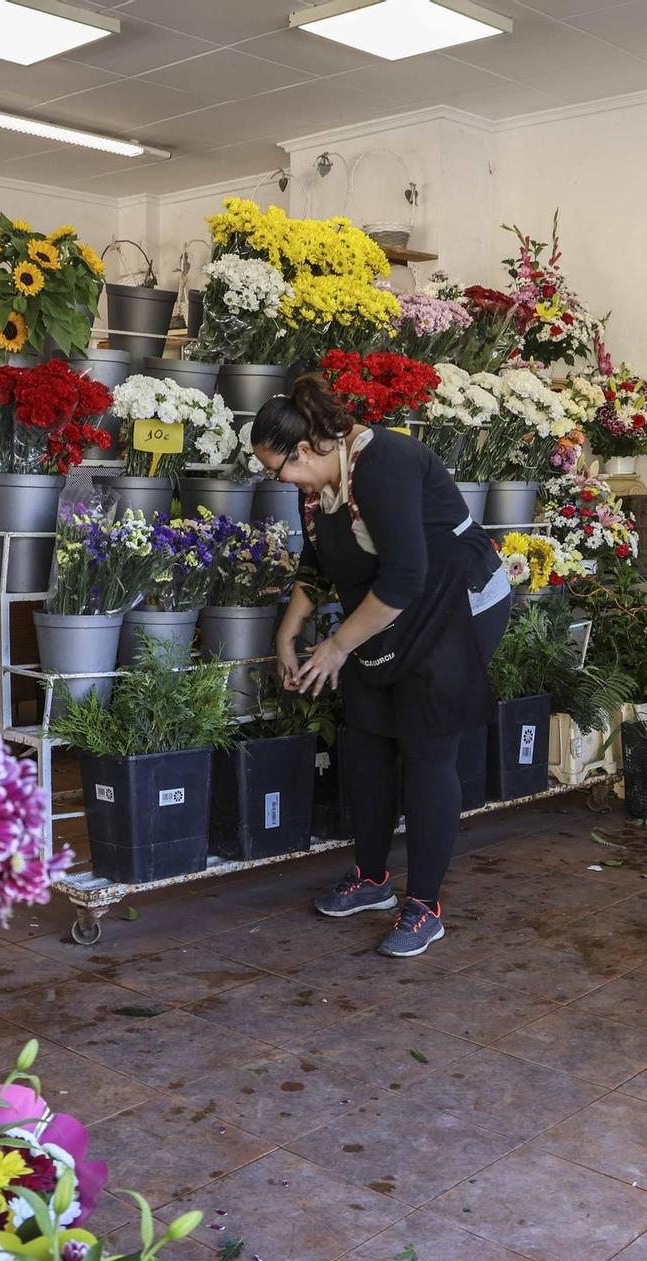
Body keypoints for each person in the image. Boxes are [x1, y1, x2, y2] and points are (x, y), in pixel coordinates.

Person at [253, 376, 513, 958]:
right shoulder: (318, 485)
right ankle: (371, 880)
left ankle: (425, 906)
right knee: (366, 738)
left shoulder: (384, 462)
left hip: (454, 604)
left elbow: (405, 576)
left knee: (424, 748)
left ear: (308, 447)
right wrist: (289, 629)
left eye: (280, 470)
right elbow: (317, 559)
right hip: (387, 610)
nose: (282, 482)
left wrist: (337, 647)